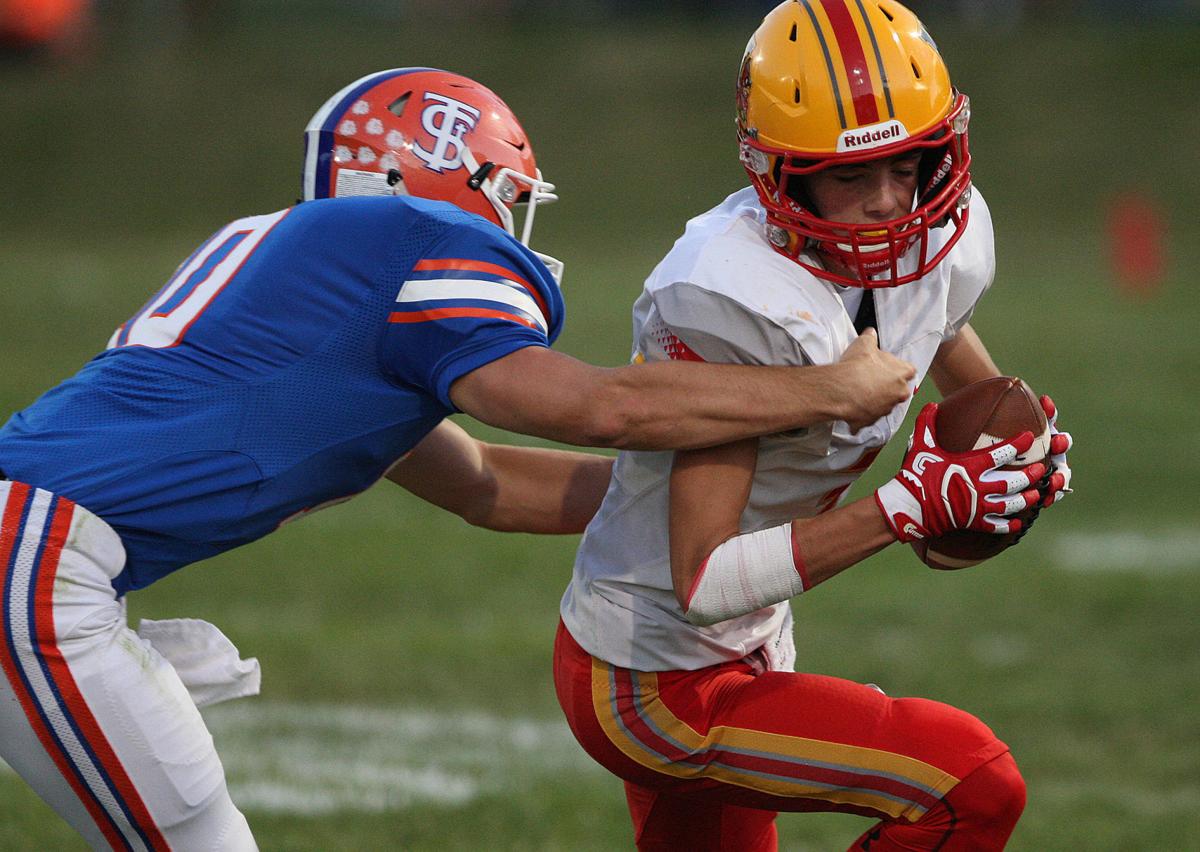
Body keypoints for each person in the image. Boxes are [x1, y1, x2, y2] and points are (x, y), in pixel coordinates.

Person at [0, 67, 916, 849]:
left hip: (32, 546)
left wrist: (706, 509)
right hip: (33, 565)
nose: (508, 222)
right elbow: (592, 406)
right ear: (443, 178)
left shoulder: (313, 285)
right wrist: (833, 391)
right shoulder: (410, 242)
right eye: (505, 195)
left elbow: (485, 483)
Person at [554, 4, 1074, 851]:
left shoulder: (940, 237)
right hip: (652, 677)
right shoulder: (730, 297)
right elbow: (705, 579)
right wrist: (902, 507)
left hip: (741, 650)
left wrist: (1022, 446)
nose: (888, 204)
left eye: (908, 166)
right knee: (967, 782)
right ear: (783, 177)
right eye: (848, 179)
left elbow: (933, 320)